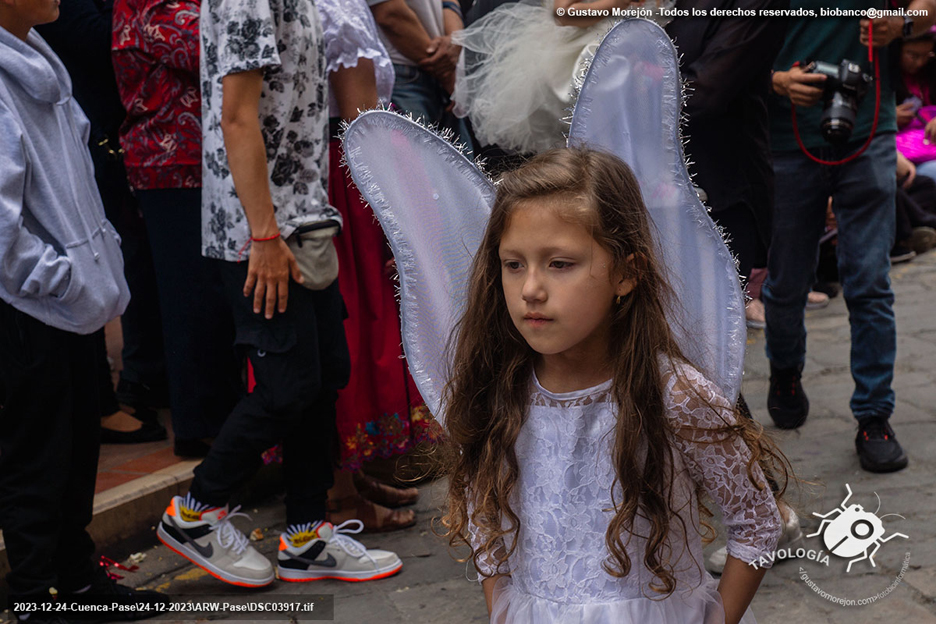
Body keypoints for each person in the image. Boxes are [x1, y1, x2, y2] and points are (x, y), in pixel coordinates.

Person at [441, 148, 785, 623]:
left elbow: (758, 523)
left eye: (560, 264)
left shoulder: (675, 394)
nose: (530, 289)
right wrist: (502, 608)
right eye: (513, 263)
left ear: (626, 272)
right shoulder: (499, 393)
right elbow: (487, 524)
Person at [155, 0, 402, 586]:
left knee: (321, 378)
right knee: (288, 386)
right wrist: (264, 234)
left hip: (305, 215)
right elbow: (237, 117)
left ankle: (308, 535)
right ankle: (196, 513)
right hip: (261, 230)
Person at [0, 1, 168, 619]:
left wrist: (90, 265)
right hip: (27, 305)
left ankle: (73, 582)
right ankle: (34, 597)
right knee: (36, 459)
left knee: (74, 453)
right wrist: (58, 276)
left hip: (69, 298)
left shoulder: (40, 59)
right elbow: (2, 229)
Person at [764, 0, 936, 473]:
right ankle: (784, 371)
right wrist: (777, 81)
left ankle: (874, 416)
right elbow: (721, 45)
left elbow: (925, 8)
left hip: (868, 132)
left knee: (869, 283)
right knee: (786, 284)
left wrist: (901, 23)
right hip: (787, 137)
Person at [318, 0, 432, 533]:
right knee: (352, 329)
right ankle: (339, 495)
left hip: (338, 172)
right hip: (347, 179)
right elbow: (360, 119)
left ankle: (351, 478)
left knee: (351, 329)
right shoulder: (335, 11)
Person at [112, 0, 242, 457]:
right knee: (194, 302)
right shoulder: (152, 8)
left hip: (202, 164)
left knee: (212, 298)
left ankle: (219, 420)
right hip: (173, 166)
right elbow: (218, 49)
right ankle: (201, 427)